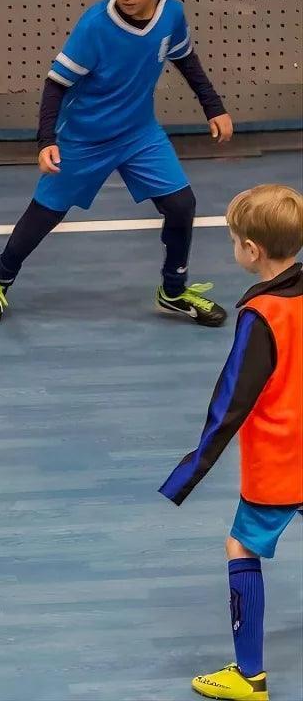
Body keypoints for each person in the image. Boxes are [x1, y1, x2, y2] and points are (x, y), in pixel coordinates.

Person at [0, 0, 233, 328]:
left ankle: (173, 291)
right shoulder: (95, 25)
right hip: (85, 139)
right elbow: (56, 83)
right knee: (45, 214)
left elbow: (186, 60)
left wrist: (214, 107)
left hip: (140, 134)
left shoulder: (172, 15)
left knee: (182, 206)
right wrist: (46, 140)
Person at [160, 184, 303, 701]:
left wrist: (188, 472)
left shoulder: (262, 315)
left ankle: (250, 678)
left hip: (281, 464)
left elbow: (231, 402)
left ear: (252, 250)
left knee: (240, 545)